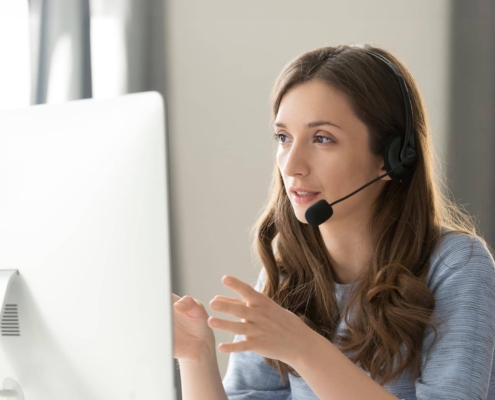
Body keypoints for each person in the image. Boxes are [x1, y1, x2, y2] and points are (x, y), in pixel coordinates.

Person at [172, 44, 495, 400]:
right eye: (283, 137)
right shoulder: (286, 276)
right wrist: (195, 356)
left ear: (392, 158)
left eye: (322, 139)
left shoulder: (456, 265)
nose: (292, 165)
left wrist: (305, 349)